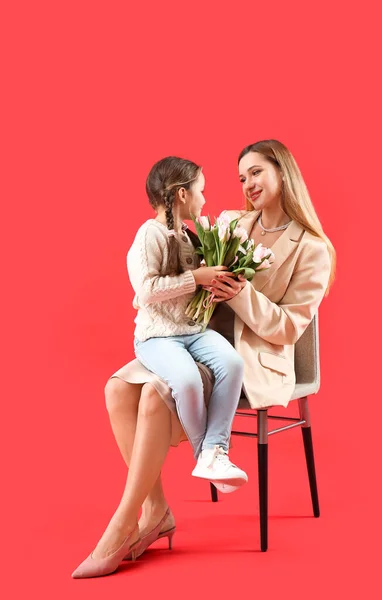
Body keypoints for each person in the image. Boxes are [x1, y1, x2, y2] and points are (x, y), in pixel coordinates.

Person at [72, 156, 248, 579]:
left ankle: (215, 451)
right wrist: (197, 278)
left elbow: (199, 295)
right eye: (201, 190)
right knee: (184, 378)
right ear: (182, 194)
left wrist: (223, 286)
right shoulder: (148, 235)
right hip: (158, 337)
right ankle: (201, 451)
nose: (206, 198)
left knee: (231, 361)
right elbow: (146, 291)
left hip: (191, 331)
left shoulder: (191, 236)